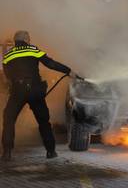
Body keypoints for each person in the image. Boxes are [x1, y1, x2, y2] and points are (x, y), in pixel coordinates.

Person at [1, 30, 77, 161]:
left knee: (8, 120)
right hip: (35, 91)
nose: (29, 40)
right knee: (43, 122)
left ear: (15, 41)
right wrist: (68, 71)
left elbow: (7, 76)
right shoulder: (33, 50)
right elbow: (50, 64)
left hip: (18, 92)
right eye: (29, 38)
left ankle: (7, 152)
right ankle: (51, 151)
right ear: (26, 39)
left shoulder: (8, 55)